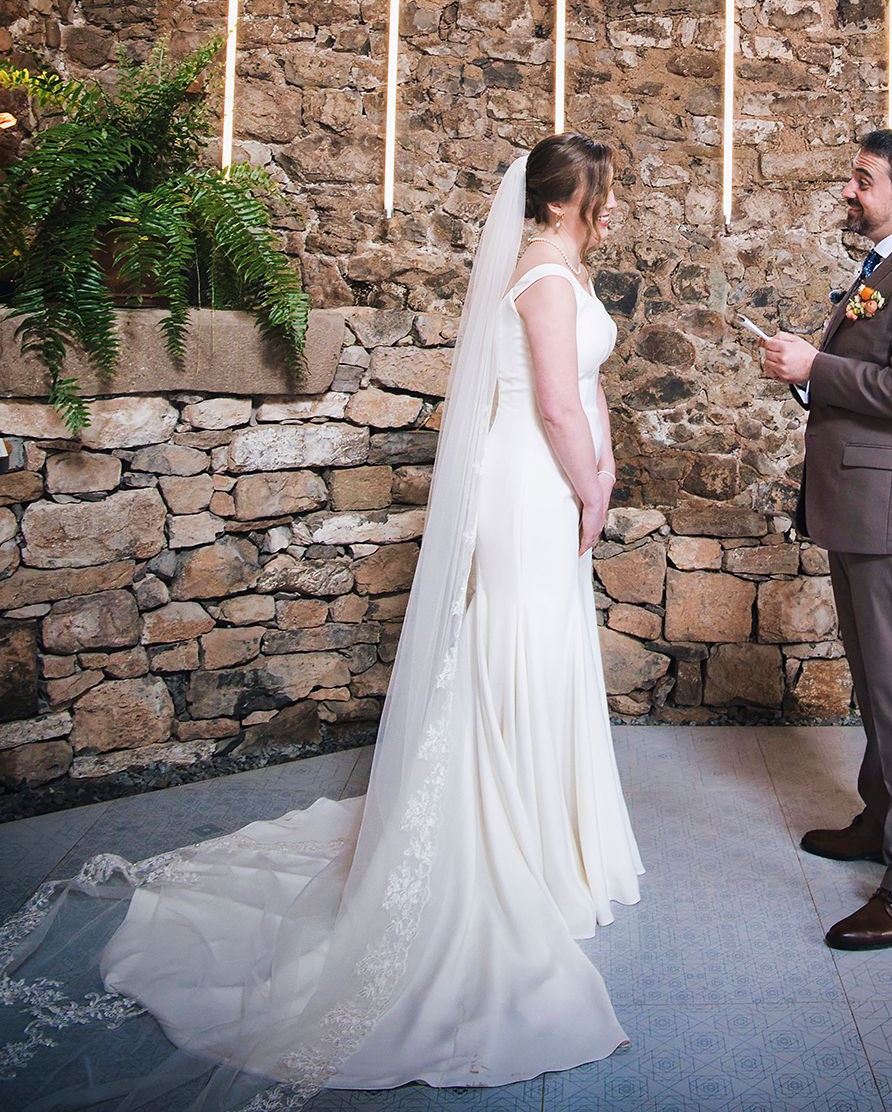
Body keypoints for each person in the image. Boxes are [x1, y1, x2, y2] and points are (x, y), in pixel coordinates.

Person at [2, 134, 641, 1105]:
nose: (614, 205)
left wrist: (601, 461)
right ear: (563, 203)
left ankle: (550, 838)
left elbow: (579, 392)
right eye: (604, 192)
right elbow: (555, 403)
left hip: (552, 478)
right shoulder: (545, 274)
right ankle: (515, 842)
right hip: (534, 481)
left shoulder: (557, 264)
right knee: (515, 645)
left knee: (540, 646)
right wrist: (593, 480)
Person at [761, 128, 892, 952]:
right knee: (877, 681)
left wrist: (815, 365)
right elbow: (873, 377)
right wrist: (811, 372)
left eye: (862, 179)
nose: (848, 190)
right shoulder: (885, 267)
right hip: (865, 510)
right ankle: (881, 820)